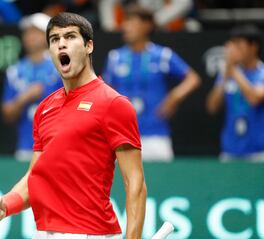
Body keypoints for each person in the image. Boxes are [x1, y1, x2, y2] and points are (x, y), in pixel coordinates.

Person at [0, 12, 147, 239]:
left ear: (89, 46)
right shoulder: (44, 109)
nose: (61, 43)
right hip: (42, 234)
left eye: (70, 37)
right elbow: (37, 175)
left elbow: (135, 183)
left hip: (88, 235)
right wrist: (6, 203)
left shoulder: (114, 104)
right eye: (54, 39)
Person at [103, 4, 200, 162]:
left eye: (131, 22)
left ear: (147, 25)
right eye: (125, 22)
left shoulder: (162, 55)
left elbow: (193, 79)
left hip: (156, 136)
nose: (125, 27)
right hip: (123, 137)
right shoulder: (115, 58)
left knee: (162, 185)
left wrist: (174, 97)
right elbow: (107, 92)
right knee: (122, 185)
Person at [1, 13, 61, 161]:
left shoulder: (61, 66)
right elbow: (7, 114)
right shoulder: (15, 71)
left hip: (57, 147)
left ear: (48, 36)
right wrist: (24, 98)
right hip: (26, 148)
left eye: (36, 31)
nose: (30, 36)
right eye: (28, 31)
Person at [206, 24, 264, 162]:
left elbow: (254, 98)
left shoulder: (261, 73)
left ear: (253, 46)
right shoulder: (228, 73)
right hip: (229, 152)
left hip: (258, 153)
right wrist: (226, 75)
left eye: (239, 45)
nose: (234, 51)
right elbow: (212, 106)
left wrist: (232, 68)